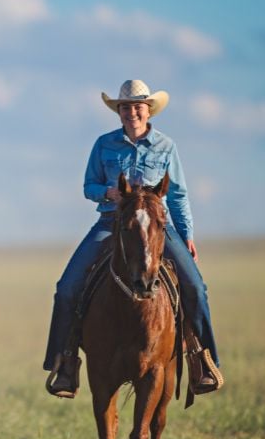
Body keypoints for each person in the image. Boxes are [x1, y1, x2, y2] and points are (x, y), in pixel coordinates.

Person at [44, 79, 223, 397]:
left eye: (137, 107)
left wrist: (187, 235)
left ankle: (202, 360)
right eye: (125, 108)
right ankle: (65, 363)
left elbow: (178, 195)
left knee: (195, 285)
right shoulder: (104, 145)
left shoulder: (166, 146)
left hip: (157, 227)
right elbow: (89, 186)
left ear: (149, 109)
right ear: (119, 112)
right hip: (111, 222)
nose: (131, 112)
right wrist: (107, 192)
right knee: (67, 287)